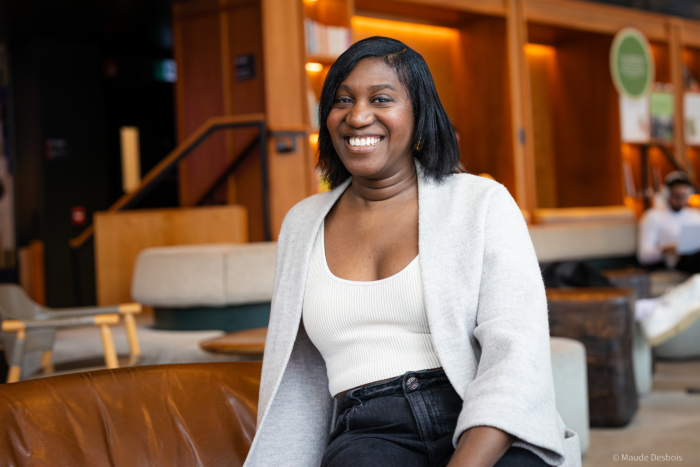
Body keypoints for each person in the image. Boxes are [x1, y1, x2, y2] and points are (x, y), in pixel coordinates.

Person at [243, 37, 580, 467]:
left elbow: (516, 355)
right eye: (343, 100)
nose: (358, 116)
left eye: (381, 99)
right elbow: (296, 380)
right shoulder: (301, 224)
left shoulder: (480, 202)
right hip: (368, 433)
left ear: (419, 114)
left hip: (480, 416)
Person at [638, 171, 700, 273]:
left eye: (684, 196)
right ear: (666, 194)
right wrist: (668, 249)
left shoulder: (696, 215)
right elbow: (643, 257)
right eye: (677, 196)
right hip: (679, 262)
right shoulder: (653, 217)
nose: (681, 200)